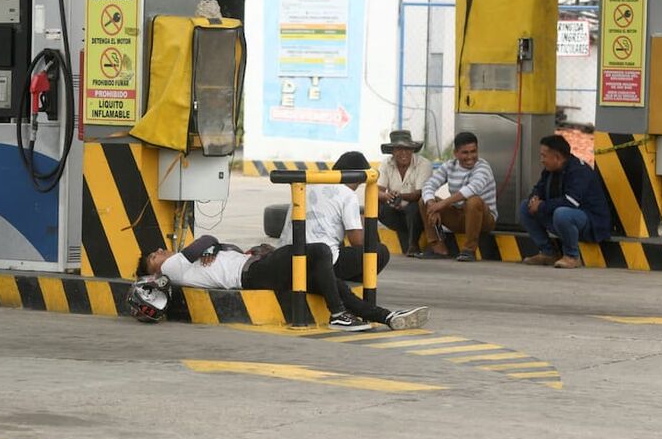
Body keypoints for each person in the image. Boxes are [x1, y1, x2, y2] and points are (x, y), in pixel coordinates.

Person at [138, 236, 428, 331]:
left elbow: (223, 245)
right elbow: (206, 240)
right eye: (153, 256)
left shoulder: (187, 262)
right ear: (152, 273)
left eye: (158, 251)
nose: (160, 252)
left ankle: (387, 317)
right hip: (253, 275)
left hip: (255, 268)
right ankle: (339, 315)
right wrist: (210, 246)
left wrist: (213, 248)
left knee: (333, 283)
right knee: (319, 251)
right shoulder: (173, 269)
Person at [277, 151, 391, 284]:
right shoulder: (348, 195)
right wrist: (364, 222)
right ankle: (339, 282)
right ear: (361, 178)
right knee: (380, 252)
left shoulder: (308, 186)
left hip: (287, 259)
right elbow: (357, 241)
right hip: (321, 262)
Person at [518, 134, 611, 270]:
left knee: (562, 213)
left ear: (557, 157)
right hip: (561, 216)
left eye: (544, 156)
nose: (541, 160)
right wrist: (534, 199)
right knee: (525, 207)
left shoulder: (579, 171)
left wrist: (542, 206)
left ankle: (572, 256)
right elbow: (538, 189)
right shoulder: (549, 171)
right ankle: (548, 252)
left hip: (590, 223)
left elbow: (570, 202)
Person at [417, 131, 497, 262]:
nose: (470, 156)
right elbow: (429, 184)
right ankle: (438, 248)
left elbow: (471, 189)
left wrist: (441, 204)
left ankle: (469, 250)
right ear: (456, 153)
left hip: (484, 220)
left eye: (473, 151)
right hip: (460, 217)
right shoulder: (449, 166)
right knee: (423, 201)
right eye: (465, 152)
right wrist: (432, 205)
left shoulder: (483, 167)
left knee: (473, 201)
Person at [377, 130, 433, 256]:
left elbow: (419, 194)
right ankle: (373, 245)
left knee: (415, 206)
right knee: (374, 205)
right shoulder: (386, 164)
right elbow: (377, 191)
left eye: (407, 149)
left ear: (413, 150)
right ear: (392, 151)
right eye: (399, 149)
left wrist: (399, 196)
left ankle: (413, 244)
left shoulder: (424, 164)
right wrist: (387, 196)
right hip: (395, 212)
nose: (404, 153)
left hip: (416, 214)